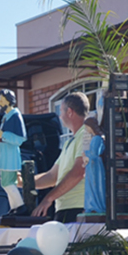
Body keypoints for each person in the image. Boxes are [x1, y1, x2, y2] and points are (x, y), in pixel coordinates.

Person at [31, 92, 90, 222]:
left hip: (79, 209)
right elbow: (52, 176)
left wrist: (48, 198)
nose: (60, 116)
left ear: (70, 112)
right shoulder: (70, 142)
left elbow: (79, 172)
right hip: (66, 209)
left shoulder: (87, 135)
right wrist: (24, 181)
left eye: (61, 111)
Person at [82, 117, 106, 216]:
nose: (86, 130)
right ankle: (91, 206)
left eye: (87, 127)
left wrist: (85, 154)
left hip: (94, 165)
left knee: (95, 185)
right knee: (91, 186)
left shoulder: (97, 138)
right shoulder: (95, 138)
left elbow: (94, 154)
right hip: (91, 165)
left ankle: (96, 206)